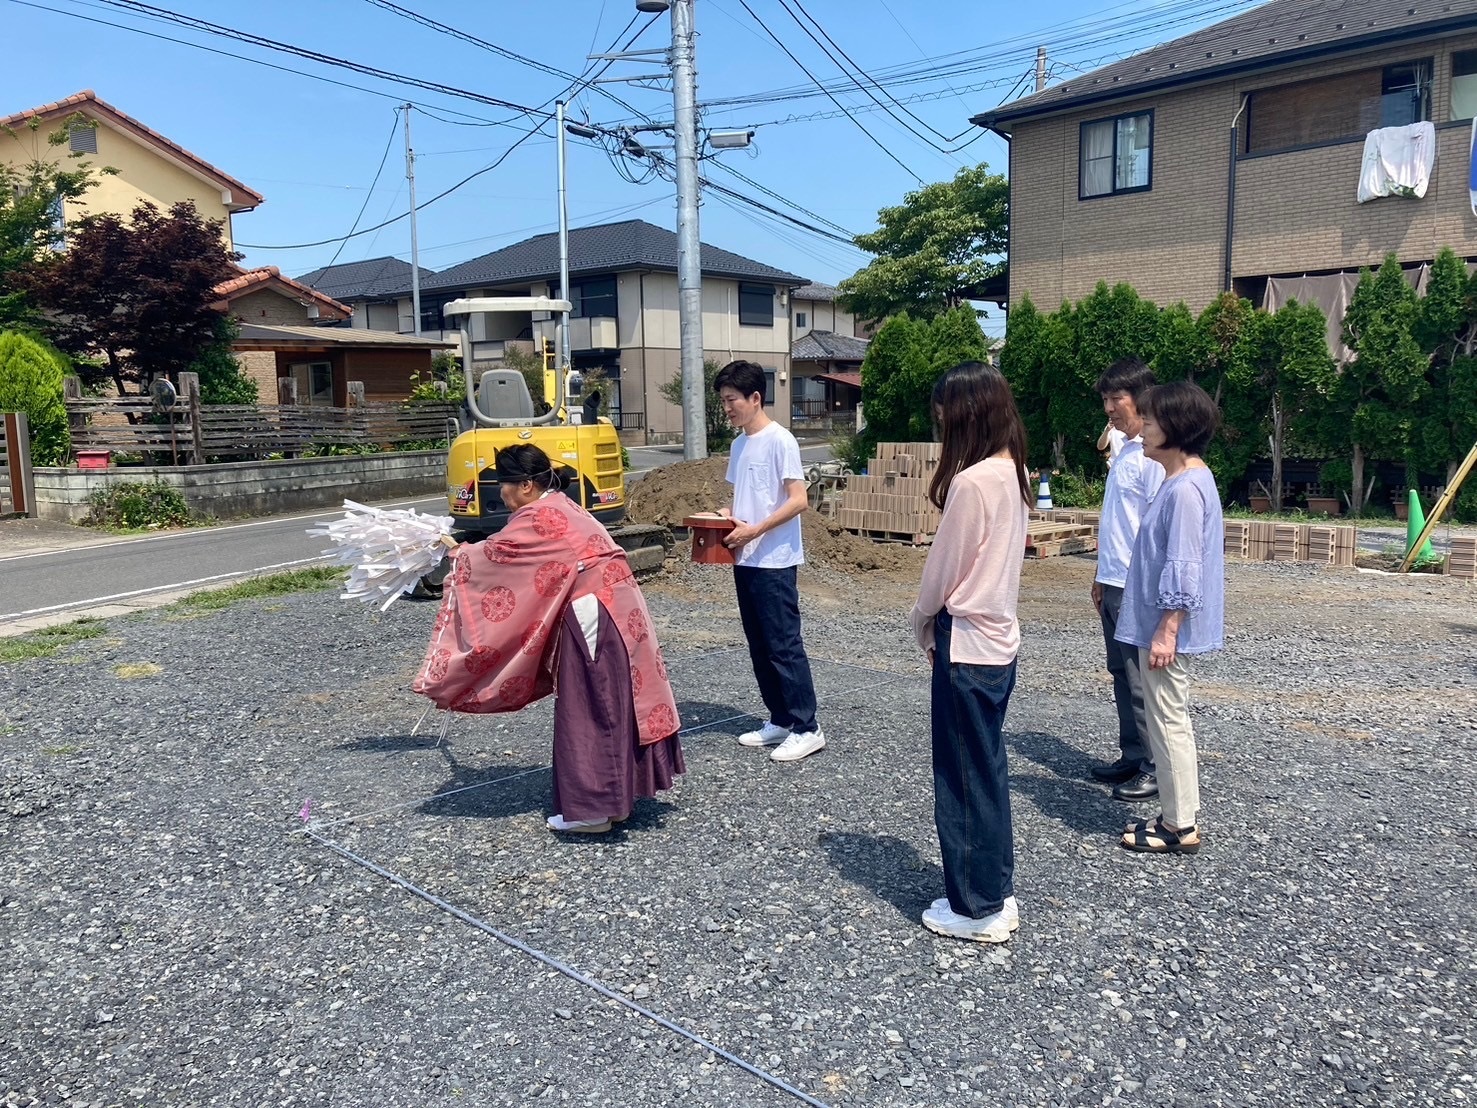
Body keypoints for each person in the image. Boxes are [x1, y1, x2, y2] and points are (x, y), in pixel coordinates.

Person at [414, 444, 685, 834]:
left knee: (592, 702)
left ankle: (592, 811)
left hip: (593, 611)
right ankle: (615, 801)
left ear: (526, 485)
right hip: (616, 606)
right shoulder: (562, 505)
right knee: (615, 699)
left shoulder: (539, 518)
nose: (501, 492)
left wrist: (456, 552)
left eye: (504, 484)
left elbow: (496, 558)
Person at [909, 362, 1031, 943]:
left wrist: (920, 620)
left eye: (944, 417)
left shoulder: (973, 482)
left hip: (966, 642)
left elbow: (943, 572)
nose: (942, 429)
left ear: (964, 416)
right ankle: (993, 890)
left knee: (961, 778)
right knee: (986, 770)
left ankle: (977, 907)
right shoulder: (1014, 471)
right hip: (999, 640)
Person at [1113, 381, 1224, 854]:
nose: (1143, 430)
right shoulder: (1181, 481)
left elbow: (1184, 564)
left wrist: (1167, 629)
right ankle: (1177, 816)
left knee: (1167, 718)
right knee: (1164, 717)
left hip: (1164, 630)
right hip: (1157, 625)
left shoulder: (1185, 489)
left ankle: (1179, 825)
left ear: (1176, 428)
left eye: (1152, 421)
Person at [712, 359, 826, 763]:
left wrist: (755, 530)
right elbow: (744, 497)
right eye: (723, 400)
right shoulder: (739, 444)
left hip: (774, 559)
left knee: (783, 645)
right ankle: (780, 718)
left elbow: (799, 500)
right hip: (745, 557)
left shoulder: (781, 440)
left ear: (755, 397)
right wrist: (723, 515)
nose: (727, 408)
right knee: (759, 644)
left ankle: (807, 727)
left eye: (732, 400)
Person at [1088, 358, 1166, 803]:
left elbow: (1155, 528)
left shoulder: (1153, 456)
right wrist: (1100, 575)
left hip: (1138, 585)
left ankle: (1155, 766)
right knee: (1121, 672)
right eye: (1105, 400)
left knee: (1142, 682)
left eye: (1115, 399)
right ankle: (1133, 755)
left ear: (1140, 397)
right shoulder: (1126, 450)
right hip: (1114, 579)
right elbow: (1118, 522)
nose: (1109, 409)